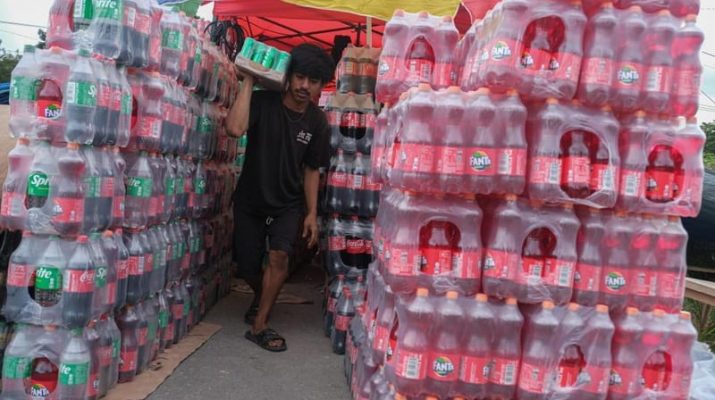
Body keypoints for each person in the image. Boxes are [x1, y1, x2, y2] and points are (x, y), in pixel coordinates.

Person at [226, 43, 334, 352]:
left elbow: (313, 169)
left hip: (289, 202)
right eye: (299, 77)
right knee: (247, 265)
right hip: (250, 198)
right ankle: (261, 294)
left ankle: (260, 324)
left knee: (279, 257)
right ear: (288, 76)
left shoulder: (317, 121)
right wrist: (249, 80)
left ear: (320, 85)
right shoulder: (263, 102)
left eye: (313, 81)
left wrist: (312, 213)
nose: (304, 86)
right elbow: (234, 128)